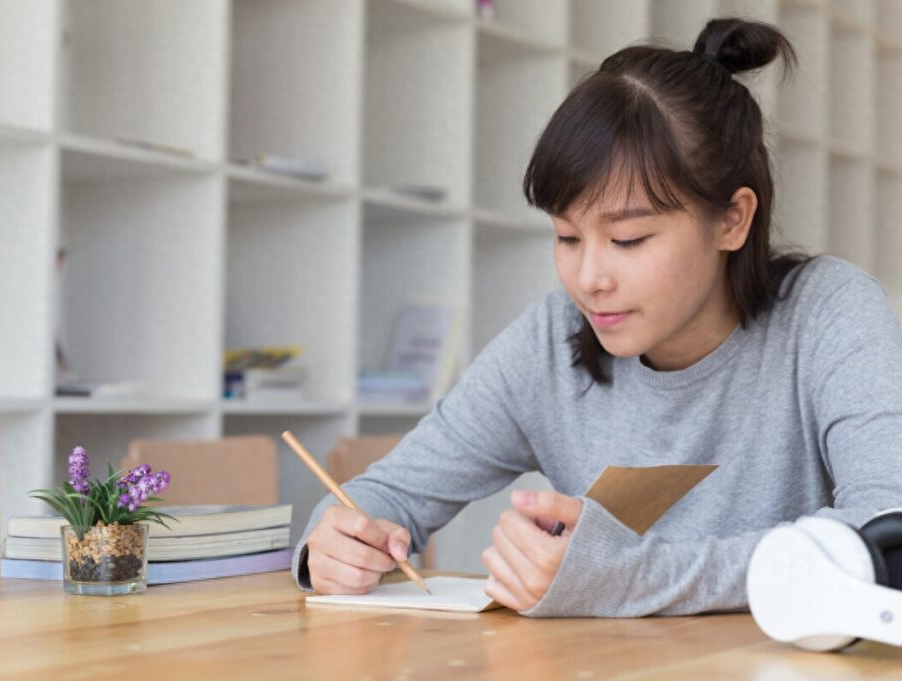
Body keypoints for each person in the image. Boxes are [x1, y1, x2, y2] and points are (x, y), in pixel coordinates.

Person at [291, 17, 902, 617]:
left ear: (732, 220)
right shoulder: (550, 342)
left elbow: (888, 535)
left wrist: (632, 578)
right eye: (566, 236)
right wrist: (337, 543)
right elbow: (388, 494)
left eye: (629, 239)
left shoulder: (829, 316)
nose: (589, 280)